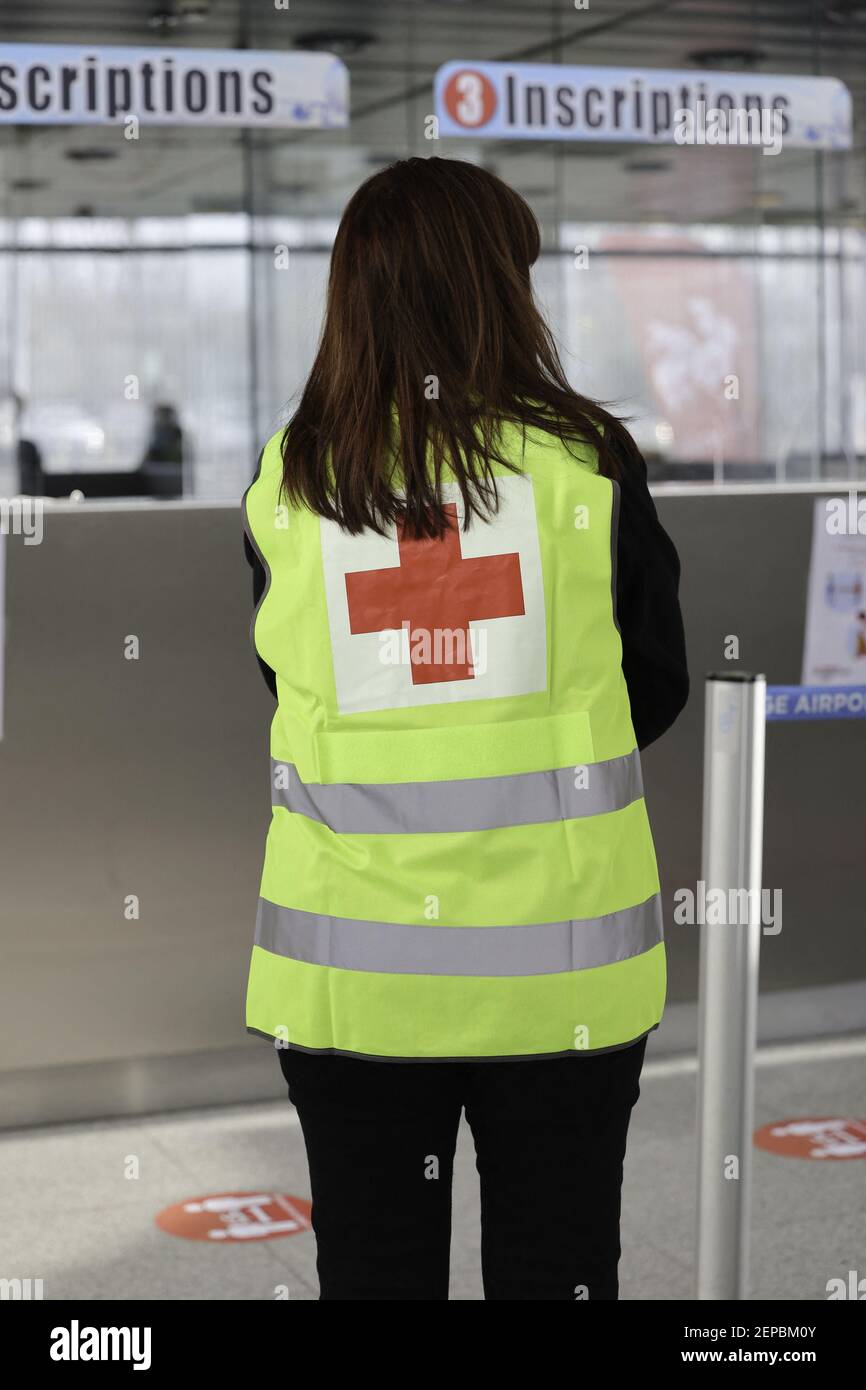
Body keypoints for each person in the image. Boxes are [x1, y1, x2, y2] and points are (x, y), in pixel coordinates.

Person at [242, 157, 688, 1301]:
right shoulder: (584, 464)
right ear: (498, 290)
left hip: (351, 978)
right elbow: (654, 687)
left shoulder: (292, 482)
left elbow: (289, 687)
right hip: (562, 973)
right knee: (558, 1266)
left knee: (376, 1272)